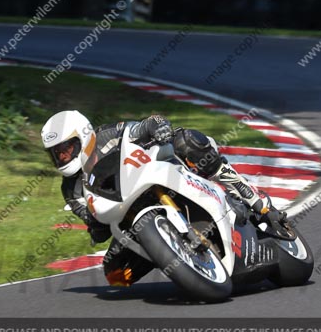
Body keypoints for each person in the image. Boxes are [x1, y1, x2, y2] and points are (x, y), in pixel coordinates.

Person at [41, 110, 272, 286]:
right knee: (115, 274)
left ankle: (246, 192)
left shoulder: (107, 135)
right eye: (56, 154)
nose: (62, 157)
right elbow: (90, 221)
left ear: (82, 136)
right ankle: (174, 257)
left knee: (185, 140)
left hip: (158, 176)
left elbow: (138, 128)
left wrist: (155, 125)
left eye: (66, 149)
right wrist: (95, 225)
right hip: (129, 217)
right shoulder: (70, 190)